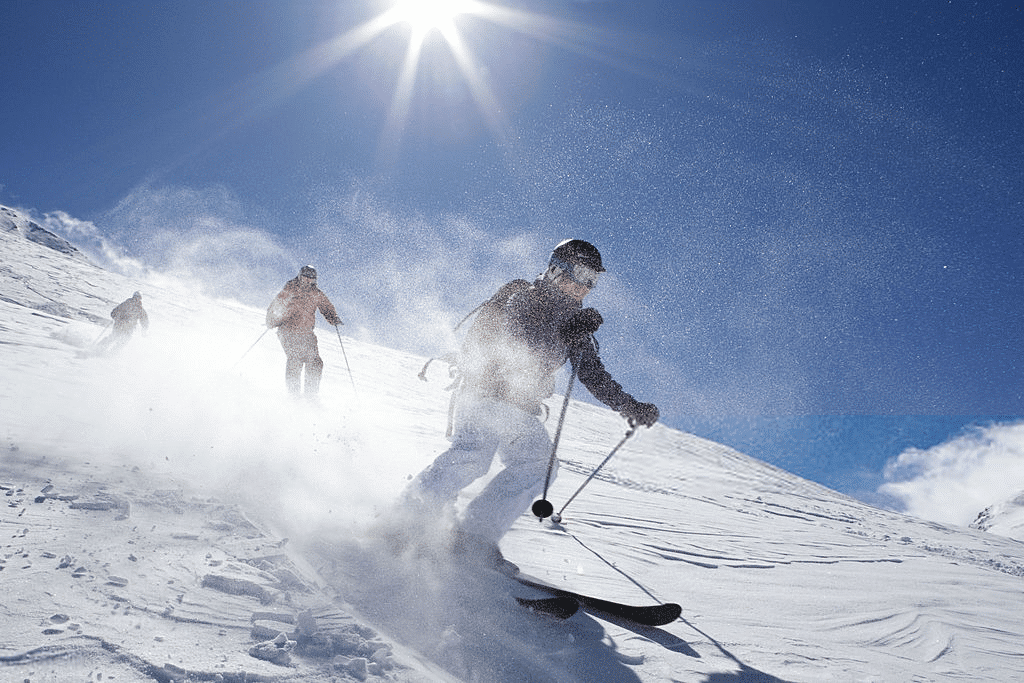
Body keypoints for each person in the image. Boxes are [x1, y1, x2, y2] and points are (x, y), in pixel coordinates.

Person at [402, 239, 659, 569]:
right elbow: (515, 338)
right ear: (556, 269)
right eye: (579, 274)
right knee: (474, 455)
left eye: (592, 281)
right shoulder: (524, 294)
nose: (583, 286)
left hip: (517, 407)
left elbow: (592, 375)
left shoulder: (575, 323)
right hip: (484, 391)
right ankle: (406, 518)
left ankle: (473, 537)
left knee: (540, 464)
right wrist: (564, 326)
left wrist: (629, 405)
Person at [266, 265, 343, 397]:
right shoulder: (291, 288)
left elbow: (326, 306)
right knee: (296, 358)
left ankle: (310, 395)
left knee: (315, 362)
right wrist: (272, 319)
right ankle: (294, 394)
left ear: (314, 280)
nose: (307, 281)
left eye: (311, 278)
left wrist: (333, 317)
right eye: (305, 277)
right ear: (300, 276)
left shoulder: (316, 293)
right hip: (288, 330)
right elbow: (276, 304)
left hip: (306, 333)